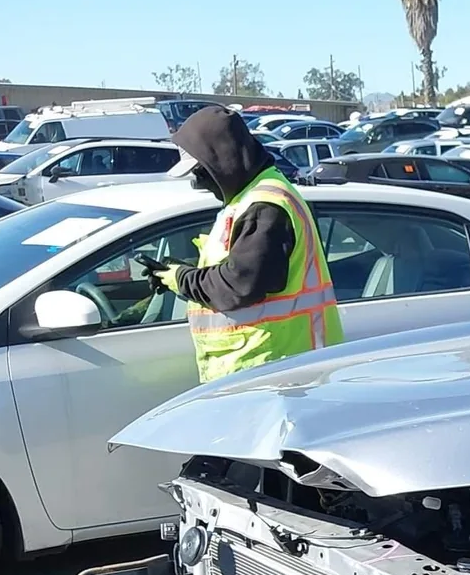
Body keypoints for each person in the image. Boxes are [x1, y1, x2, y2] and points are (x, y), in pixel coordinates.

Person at [142, 107, 342, 383]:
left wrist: (182, 279)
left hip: (275, 367)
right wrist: (179, 274)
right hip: (265, 365)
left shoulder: (266, 205)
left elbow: (241, 284)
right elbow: (237, 268)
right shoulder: (248, 199)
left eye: (200, 171)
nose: (198, 182)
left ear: (221, 160)